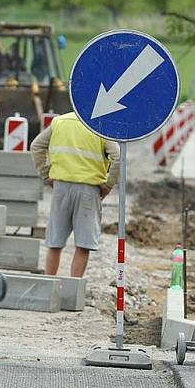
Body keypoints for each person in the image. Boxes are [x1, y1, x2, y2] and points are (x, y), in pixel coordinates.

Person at [30, 111, 120, 277]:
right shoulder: (101, 125)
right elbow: (118, 157)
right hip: (89, 190)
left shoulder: (60, 121)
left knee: (55, 242)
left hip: (61, 188)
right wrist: (108, 185)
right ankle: (74, 288)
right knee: (83, 244)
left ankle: (50, 284)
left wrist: (46, 174)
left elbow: (36, 146)